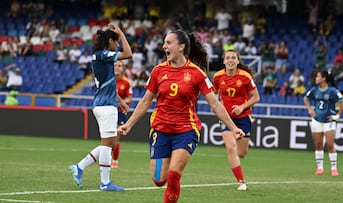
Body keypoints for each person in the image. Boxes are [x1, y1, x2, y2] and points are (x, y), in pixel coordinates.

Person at [118, 30, 244, 203]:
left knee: (173, 176)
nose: (164, 46)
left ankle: (175, 175)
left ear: (181, 47)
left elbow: (215, 104)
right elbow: (146, 101)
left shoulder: (196, 73)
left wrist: (234, 128)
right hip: (160, 129)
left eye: (168, 43)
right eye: (164, 43)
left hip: (186, 130)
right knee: (158, 180)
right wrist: (129, 124)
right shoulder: (157, 71)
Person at [68, 23, 132, 191]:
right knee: (107, 145)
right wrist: (122, 33)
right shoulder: (103, 55)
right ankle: (104, 182)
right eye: (116, 42)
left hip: (104, 104)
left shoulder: (99, 56)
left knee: (109, 143)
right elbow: (128, 54)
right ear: (110, 41)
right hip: (106, 107)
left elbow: (107, 84)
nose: (117, 45)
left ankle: (79, 167)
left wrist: (121, 101)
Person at [213, 50, 260, 191]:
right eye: (228, 58)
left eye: (233, 58)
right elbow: (214, 93)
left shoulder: (245, 77)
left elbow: (256, 97)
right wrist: (215, 105)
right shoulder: (217, 77)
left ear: (238, 61)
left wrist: (242, 107)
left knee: (241, 153)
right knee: (230, 147)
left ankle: (241, 177)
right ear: (224, 61)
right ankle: (242, 181)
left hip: (243, 117)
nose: (231, 60)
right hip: (226, 117)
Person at [303, 70, 343, 177]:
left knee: (330, 144)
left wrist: (337, 116)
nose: (316, 78)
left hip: (328, 120)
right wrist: (310, 110)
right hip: (317, 120)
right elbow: (306, 98)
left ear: (324, 78)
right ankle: (320, 168)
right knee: (318, 144)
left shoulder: (332, 90)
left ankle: (334, 169)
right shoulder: (314, 90)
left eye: (317, 76)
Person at [111, 60, 133, 168]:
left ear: (123, 68)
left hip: (120, 112)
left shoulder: (126, 82)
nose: (117, 67)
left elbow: (129, 98)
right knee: (108, 137)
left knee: (116, 137)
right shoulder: (109, 81)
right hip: (108, 111)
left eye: (119, 65)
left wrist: (121, 101)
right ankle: (108, 159)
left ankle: (114, 160)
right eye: (115, 65)